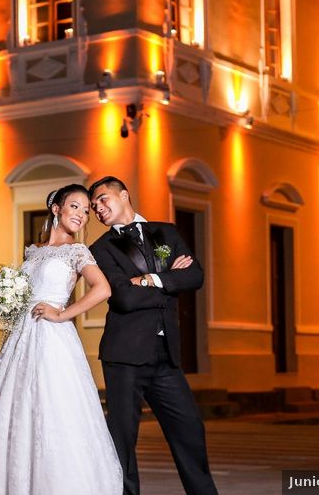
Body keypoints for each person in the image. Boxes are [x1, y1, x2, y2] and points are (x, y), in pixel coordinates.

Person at [0, 184, 122, 494]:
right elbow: (23, 292)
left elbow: (103, 289)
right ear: (56, 208)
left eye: (86, 210)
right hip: (20, 337)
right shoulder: (33, 250)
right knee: (12, 409)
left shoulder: (77, 251)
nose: (82, 215)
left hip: (53, 340)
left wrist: (62, 314)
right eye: (75, 207)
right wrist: (2, 300)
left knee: (53, 408)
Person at [88, 176, 218, 495]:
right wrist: (170, 279)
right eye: (93, 206)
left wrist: (149, 280)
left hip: (166, 356)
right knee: (123, 441)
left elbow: (196, 276)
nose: (98, 209)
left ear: (124, 194)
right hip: (124, 356)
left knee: (189, 430)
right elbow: (124, 298)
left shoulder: (166, 232)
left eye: (103, 200)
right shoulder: (99, 249)